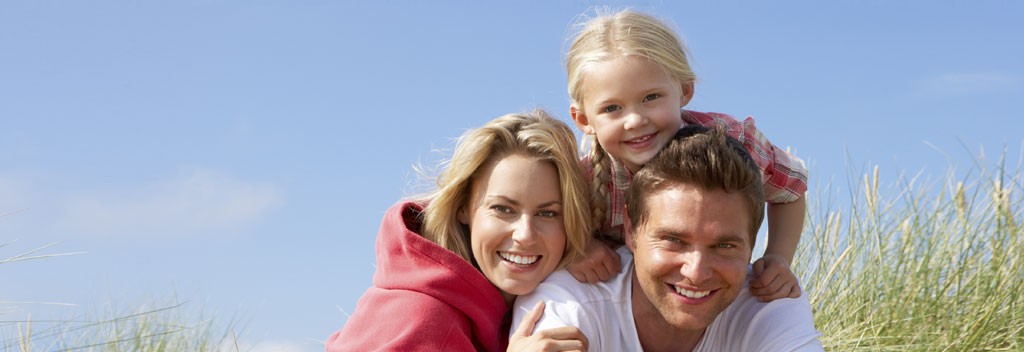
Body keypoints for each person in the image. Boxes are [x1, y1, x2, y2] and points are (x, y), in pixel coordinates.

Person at [562, 9, 809, 302]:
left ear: (684, 90)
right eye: (612, 108)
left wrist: (778, 258)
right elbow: (541, 232)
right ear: (583, 120)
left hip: (707, 290)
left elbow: (791, 191)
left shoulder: (732, 142)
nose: (635, 120)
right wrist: (575, 249)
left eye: (651, 97)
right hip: (622, 304)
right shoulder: (580, 180)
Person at [512, 125, 823, 351]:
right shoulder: (570, 303)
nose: (697, 272)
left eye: (724, 246)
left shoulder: (768, 305)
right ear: (631, 229)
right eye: (674, 240)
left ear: (752, 243)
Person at [326, 110, 591, 351]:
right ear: (463, 206)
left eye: (548, 213)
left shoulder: (540, 301)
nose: (525, 234)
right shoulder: (420, 317)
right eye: (503, 209)